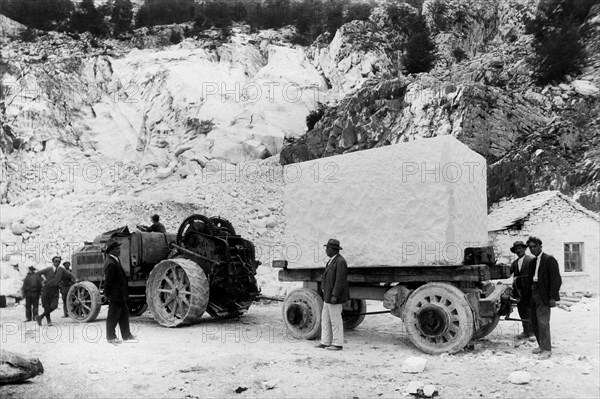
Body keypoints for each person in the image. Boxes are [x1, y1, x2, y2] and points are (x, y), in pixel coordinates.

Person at [526, 236, 562, 359]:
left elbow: (556, 280)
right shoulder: (532, 262)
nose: (532, 249)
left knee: (543, 322)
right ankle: (541, 345)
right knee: (534, 321)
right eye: (530, 247)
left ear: (540, 246)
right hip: (533, 293)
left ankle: (547, 349)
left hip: (544, 294)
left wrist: (552, 297)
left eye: (534, 246)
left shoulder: (549, 260)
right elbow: (530, 280)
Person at [315, 239, 349, 351]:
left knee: (335, 320)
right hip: (328, 296)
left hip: (334, 297)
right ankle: (325, 341)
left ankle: (337, 344)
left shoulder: (340, 261)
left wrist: (335, 295)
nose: (326, 250)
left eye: (327, 248)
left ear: (333, 249)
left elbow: (340, 280)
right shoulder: (331, 261)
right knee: (325, 319)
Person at [103, 238, 136, 345]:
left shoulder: (115, 260)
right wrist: (107, 294)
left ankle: (126, 335)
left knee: (124, 315)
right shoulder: (111, 263)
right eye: (117, 249)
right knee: (113, 316)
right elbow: (109, 281)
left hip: (120, 294)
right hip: (115, 295)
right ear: (111, 250)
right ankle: (111, 337)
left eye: (119, 248)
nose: (119, 250)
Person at [36, 256, 76, 326]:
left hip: (55, 289)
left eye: (59, 261)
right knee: (46, 306)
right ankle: (49, 321)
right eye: (56, 261)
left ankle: (40, 317)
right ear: (53, 262)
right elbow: (37, 274)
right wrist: (42, 281)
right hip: (47, 289)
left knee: (54, 306)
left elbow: (69, 274)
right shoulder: (48, 269)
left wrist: (75, 279)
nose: (57, 262)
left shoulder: (61, 270)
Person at [509, 241, 534, 339]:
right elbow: (508, 272)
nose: (518, 250)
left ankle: (533, 332)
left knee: (531, 311)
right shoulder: (515, 263)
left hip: (529, 290)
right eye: (516, 249)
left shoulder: (531, 260)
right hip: (519, 292)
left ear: (524, 249)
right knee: (522, 311)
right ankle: (526, 331)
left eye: (520, 248)